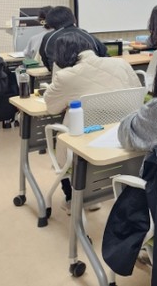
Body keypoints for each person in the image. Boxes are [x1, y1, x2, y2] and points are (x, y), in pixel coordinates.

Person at [43, 32, 141, 211]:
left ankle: (73, 198)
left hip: (85, 147)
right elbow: (137, 94)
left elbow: (52, 107)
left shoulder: (66, 76)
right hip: (123, 140)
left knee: (64, 137)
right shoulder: (121, 64)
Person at [39, 6, 107, 70]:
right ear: (74, 18)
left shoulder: (48, 37)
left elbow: (45, 61)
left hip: (61, 76)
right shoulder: (86, 34)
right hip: (92, 73)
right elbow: (104, 55)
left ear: (49, 22)